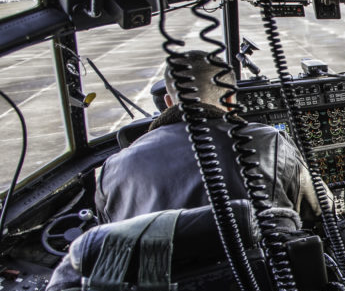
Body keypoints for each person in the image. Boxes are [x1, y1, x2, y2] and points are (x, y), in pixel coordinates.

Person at [94, 50, 320, 223]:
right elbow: (320, 212)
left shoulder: (113, 169)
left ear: (169, 102)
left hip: (162, 283)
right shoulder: (271, 143)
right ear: (231, 99)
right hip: (266, 280)